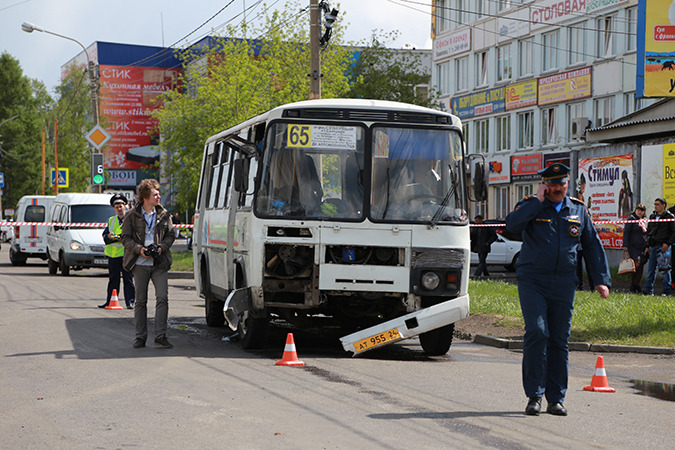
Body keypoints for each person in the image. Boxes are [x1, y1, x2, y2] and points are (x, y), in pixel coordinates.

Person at [505, 163, 610, 417]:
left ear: (567, 183)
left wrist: (601, 279)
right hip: (533, 280)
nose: (557, 189)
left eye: (561, 184)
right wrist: (536, 201)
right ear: (544, 185)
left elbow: (592, 245)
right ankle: (534, 395)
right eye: (552, 184)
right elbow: (512, 225)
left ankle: (556, 399)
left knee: (559, 340)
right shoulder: (531, 205)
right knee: (538, 332)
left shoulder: (578, 209)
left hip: (564, 282)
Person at [121, 179, 176, 349]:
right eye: (155, 194)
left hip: (159, 263)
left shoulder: (164, 215)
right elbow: (125, 238)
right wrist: (139, 249)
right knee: (140, 301)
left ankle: (160, 335)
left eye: (158, 193)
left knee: (162, 298)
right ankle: (140, 337)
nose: (159, 196)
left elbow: (171, 235)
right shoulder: (131, 215)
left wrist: (161, 247)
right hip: (140, 263)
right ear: (145, 197)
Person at [99, 194, 135, 309]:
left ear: (126, 206)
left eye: (121, 206)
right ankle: (110, 301)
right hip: (113, 255)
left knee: (128, 279)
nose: (119, 208)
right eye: (116, 206)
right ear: (114, 208)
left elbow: (135, 236)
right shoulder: (111, 220)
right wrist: (109, 236)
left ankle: (130, 302)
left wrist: (122, 238)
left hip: (126, 255)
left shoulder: (131, 220)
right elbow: (105, 235)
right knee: (113, 280)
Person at [643, 198, 675, 296]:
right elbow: (649, 232)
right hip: (653, 246)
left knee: (665, 270)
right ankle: (648, 291)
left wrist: (667, 244)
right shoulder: (652, 216)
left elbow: (674, 232)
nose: (655, 206)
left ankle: (666, 291)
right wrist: (647, 245)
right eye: (655, 204)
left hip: (663, 247)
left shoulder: (670, 216)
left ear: (663, 205)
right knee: (651, 270)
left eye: (657, 204)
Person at [622, 204, 648, 293]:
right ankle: (633, 285)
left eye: (642, 210)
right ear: (635, 210)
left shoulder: (644, 221)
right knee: (635, 265)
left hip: (642, 247)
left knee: (641, 266)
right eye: (638, 210)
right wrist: (625, 246)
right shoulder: (631, 220)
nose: (640, 212)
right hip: (633, 247)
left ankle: (637, 284)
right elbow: (626, 233)